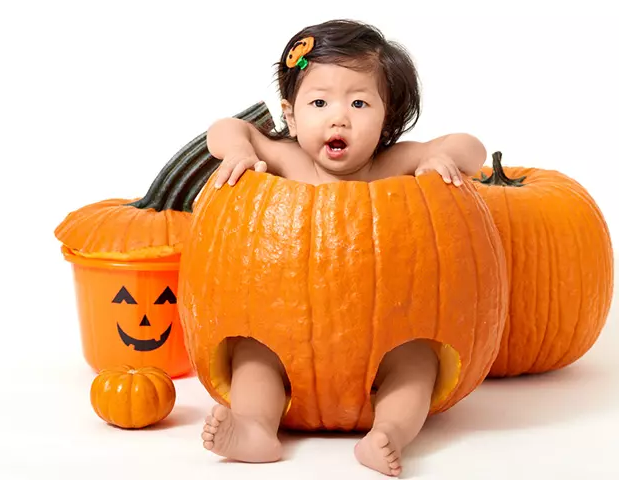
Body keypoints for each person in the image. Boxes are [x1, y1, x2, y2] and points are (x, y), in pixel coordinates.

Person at [201, 19, 487, 477]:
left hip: (385, 334)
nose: (339, 117)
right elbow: (227, 128)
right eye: (319, 102)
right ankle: (256, 427)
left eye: (359, 102)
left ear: (386, 117)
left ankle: (388, 433)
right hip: (287, 331)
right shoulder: (287, 160)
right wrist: (236, 148)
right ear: (291, 117)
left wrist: (442, 159)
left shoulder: (394, 164)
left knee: (416, 364)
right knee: (253, 356)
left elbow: (471, 146)